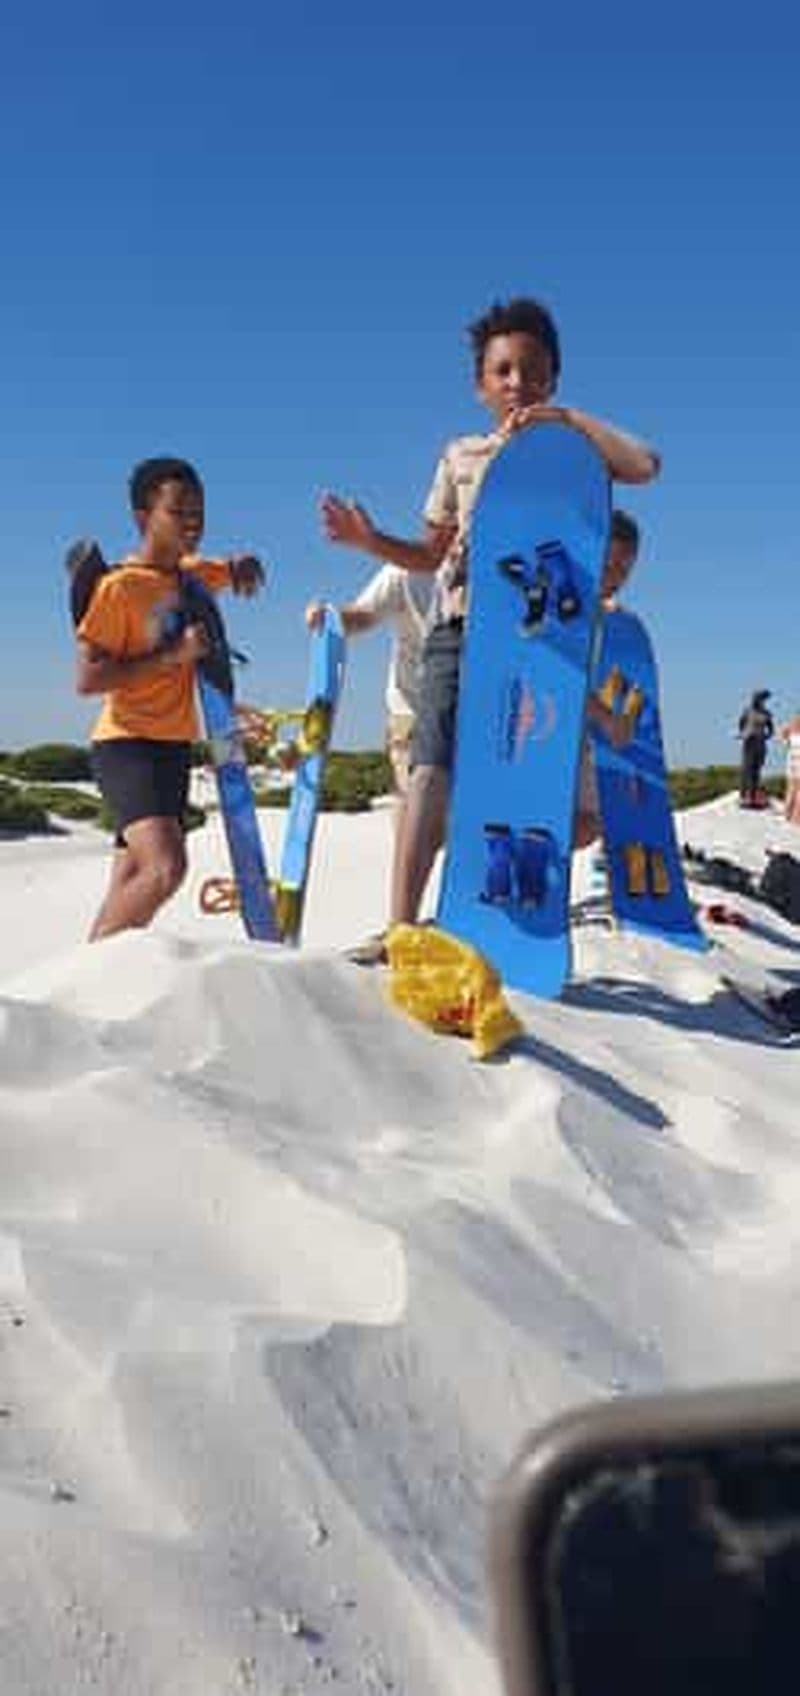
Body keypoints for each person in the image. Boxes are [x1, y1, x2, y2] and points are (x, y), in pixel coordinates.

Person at [321, 296, 660, 937]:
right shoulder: (461, 455)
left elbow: (644, 464)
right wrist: (371, 543)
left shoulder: (574, 459)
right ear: (481, 384)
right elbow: (429, 552)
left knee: (524, 781)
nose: (517, 384)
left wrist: (566, 420)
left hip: (532, 638)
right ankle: (402, 925)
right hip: (459, 629)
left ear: (553, 379)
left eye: (533, 372)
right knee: (429, 771)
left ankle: (512, 914)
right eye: (502, 371)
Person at [75, 456, 265, 940]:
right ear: (144, 518)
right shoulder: (119, 589)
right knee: (166, 868)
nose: (192, 524)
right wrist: (172, 656)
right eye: (178, 513)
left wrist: (244, 565)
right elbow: (88, 678)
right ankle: (85, 973)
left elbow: (230, 569)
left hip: (173, 747)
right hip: (126, 744)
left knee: (130, 879)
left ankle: (86, 989)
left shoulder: (193, 577)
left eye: (198, 513)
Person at [305, 567, 433, 961]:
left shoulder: (496, 564)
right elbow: (364, 615)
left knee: (444, 825)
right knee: (421, 815)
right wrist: (330, 618)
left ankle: (433, 920)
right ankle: (401, 929)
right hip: (411, 713)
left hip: (472, 719)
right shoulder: (405, 570)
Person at [575, 508, 642, 850]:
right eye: (609, 566)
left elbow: (614, 685)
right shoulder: (567, 609)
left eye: (624, 571)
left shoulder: (609, 622)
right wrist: (606, 717)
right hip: (539, 729)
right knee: (563, 821)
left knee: (590, 825)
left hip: (582, 735)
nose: (615, 579)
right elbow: (559, 677)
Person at [737, 689, 774, 808]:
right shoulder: (747, 711)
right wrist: (744, 733)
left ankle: (753, 795)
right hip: (749, 741)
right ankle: (744, 795)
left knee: (757, 769)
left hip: (760, 742)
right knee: (747, 768)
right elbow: (741, 723)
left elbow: (771, 728)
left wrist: (766, 736)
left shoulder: (766, 713)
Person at [777, 712, 800, 825]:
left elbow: (781, 733)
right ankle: (795, 819)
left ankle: (788, 817)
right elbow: (781, 733)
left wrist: (785, 743)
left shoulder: (791, 725)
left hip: (792, 758)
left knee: (791, 789)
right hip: (796, 759)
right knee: (797, 790)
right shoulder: (792, 725)